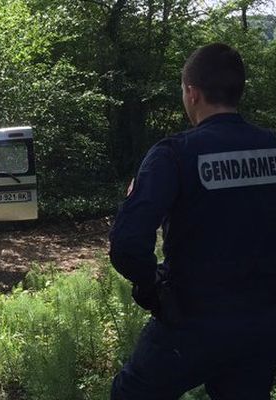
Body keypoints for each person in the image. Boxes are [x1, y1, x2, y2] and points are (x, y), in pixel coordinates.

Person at [109, 43, 276, 399]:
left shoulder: (173, 155)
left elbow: (127, 244)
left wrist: (153, 288)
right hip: (262, 324)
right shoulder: (271, 148)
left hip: (191, 322)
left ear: (192, 92)